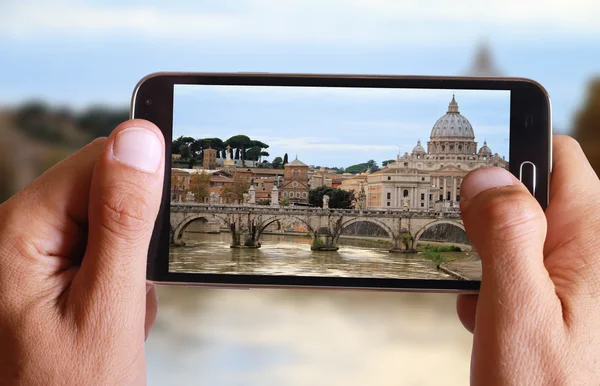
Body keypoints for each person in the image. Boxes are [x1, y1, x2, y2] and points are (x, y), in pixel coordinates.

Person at [0, 119, 599, 385]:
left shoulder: (436, 169)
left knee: (393, 244)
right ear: (439, 145)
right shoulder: (407, 169)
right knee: (254, 245)